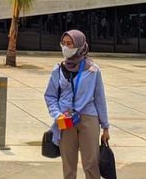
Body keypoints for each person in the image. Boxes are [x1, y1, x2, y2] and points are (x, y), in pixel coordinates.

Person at [43, 30, 109, 179]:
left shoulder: (93, 70)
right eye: (63, 43)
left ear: (79, 45)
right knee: (68, 164)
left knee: (91, 163)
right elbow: (50, 95)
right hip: (65, 120)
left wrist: (105, 126)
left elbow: (100, 98)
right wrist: (57, 114)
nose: (65, 47)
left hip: (88, 118)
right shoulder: (58, 69)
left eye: (70, 43)